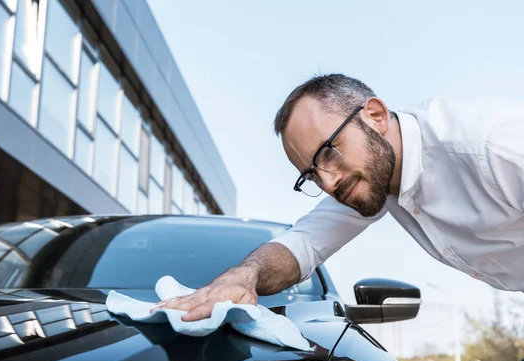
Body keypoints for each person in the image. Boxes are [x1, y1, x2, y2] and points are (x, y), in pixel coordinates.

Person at [152, 73, 524, 323]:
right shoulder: (371, 174)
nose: (328, 183)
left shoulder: (494, 143)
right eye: (311, 175)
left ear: (375, 116)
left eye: (328, 152)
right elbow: (302, 244)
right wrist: (241, 277)